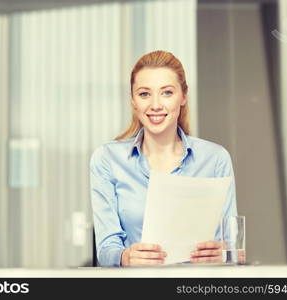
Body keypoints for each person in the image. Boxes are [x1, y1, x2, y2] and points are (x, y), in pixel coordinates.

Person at [90, 50, 237, 267]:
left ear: (183, 97)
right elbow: (105, 249)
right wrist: (125, 256)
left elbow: (232, 246)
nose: (156, 105)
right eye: (144, 94)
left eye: (167, 92)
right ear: (133, 100)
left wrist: (224, 254)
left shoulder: (215, 159)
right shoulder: (107, 159)